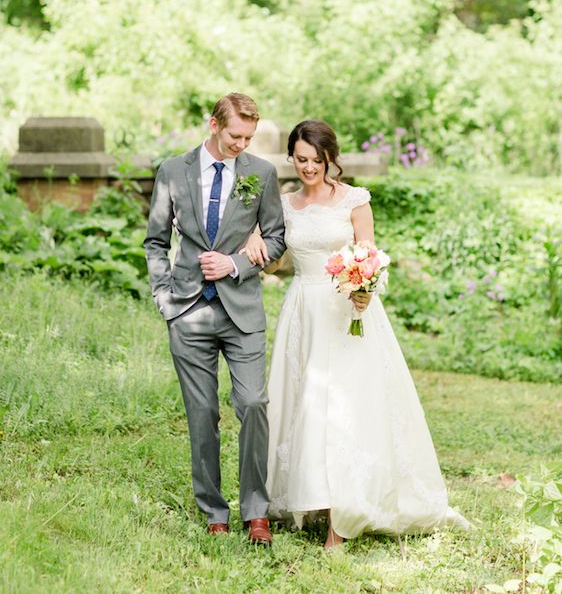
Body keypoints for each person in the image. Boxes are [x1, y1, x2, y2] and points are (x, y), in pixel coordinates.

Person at [244, 119, 468, 549]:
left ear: (331, 159)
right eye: (302, 159)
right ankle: (317, 498)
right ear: (291, 157)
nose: (309, 168)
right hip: (303, 311)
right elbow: (274, 261)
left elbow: (371, 256)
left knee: (345, 410)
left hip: (348, 310)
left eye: (317, 160)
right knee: (305, 403)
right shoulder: (285, 204)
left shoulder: (353, 200)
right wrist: (254, 238)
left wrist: (366, 290)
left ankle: (342, 521)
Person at [143, 93, 285, 545]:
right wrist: (164, 298)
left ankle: (256, 510)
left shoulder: (261, 174)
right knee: (202, 413)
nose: (241, 144)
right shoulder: (172, 171)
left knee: (254, 404)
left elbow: (277, 239)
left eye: (248, 137)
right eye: (234, 135)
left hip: (242, 312)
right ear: (213, 125)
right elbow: (155, 241)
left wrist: (238, 265)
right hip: (188, 311)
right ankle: (214, 510)